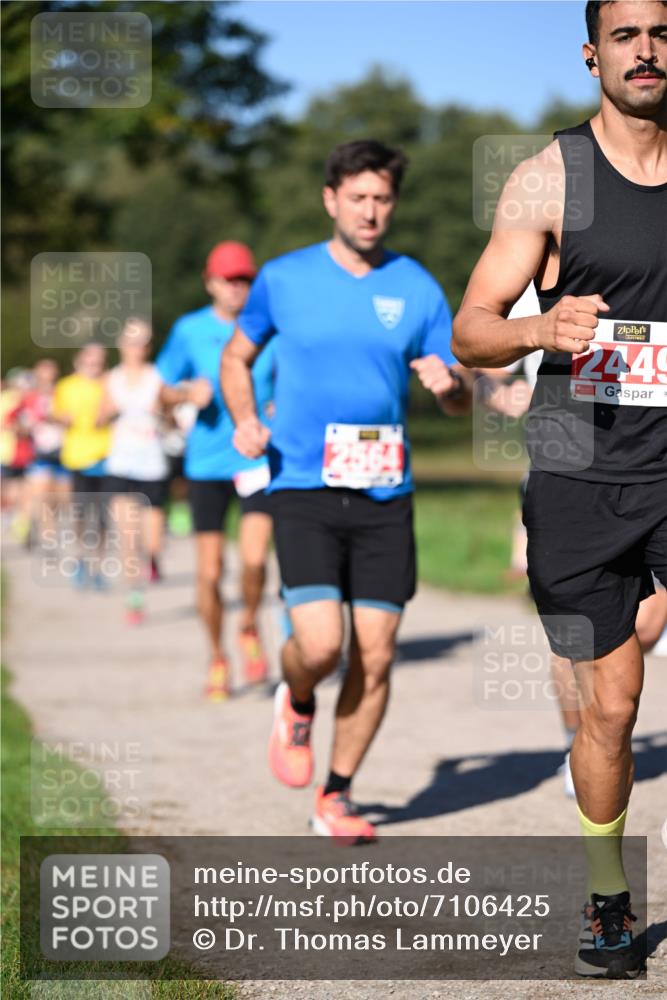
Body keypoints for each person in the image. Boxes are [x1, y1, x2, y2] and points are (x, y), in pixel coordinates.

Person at [452, 0, 666, 978]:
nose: (646, 51)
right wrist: (541, 331)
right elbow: (472, 327)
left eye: (660, 32)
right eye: (625, 35)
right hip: (582, 468)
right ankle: (609, 898)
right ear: (592, 55)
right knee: (612, 707)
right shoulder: (549, 180)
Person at [222, 139, 472, 845]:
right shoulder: (282, 278)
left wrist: (453, 387)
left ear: (393, 204)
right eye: (357, 197)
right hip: (301, 482)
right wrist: (243, 416)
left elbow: (459, 392)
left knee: (378, 653)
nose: (370, 211)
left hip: (385, 493)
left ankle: (335, 795)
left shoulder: (416, 287)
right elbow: (237, 357)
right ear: (330, 199)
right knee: (322, 644)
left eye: (382, 199)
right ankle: (296, 696)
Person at [157, 241, 275, 699]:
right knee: (208, 572)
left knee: (252, 560)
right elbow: (160, 391)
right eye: (229, 280)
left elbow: (291, 383)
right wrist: (186, 393)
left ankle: (248, 622)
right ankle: (217, 655)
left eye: (244, 279)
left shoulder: (270, 330)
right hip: (206, 465)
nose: (237, 289)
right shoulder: (189, 330)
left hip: (258, 460)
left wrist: (281, 405)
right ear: (210, 283)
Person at [98, 319, 169, 624]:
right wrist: (109, 412)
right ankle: (134, 598)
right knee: (128, 537)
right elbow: (97, 419)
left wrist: (163, 413)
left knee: (151, 541)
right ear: (120, 344)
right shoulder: (110, 379)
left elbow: (173, 420)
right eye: (130, 341)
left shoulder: (158, 377)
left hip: (152, 465)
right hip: (121, 465)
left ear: (148, 346)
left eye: (141, 342)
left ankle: (152, 560)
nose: (135, 347)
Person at [52, 343, 110, 589]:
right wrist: (62, 418)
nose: (94, 366)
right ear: (79, 361)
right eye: (90, 361)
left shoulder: (108, 384)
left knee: (103, 517)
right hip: (77, 456)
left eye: (99, 361)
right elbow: (55, 413)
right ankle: (79, 558)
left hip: (106, 455)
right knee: (81, 513)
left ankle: (97, 565)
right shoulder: (65, 386)